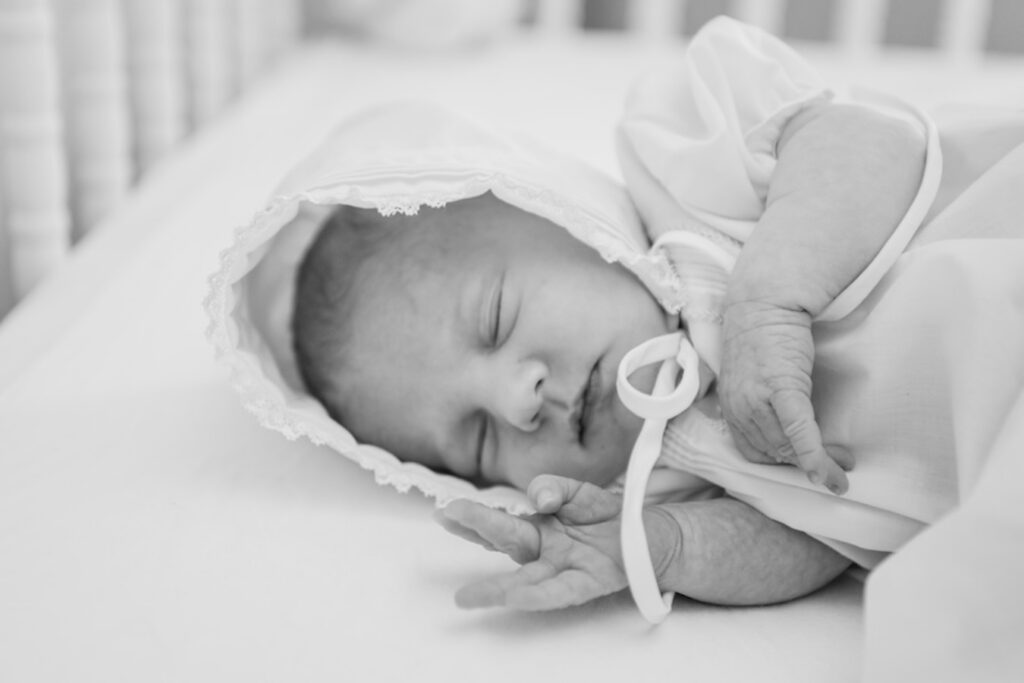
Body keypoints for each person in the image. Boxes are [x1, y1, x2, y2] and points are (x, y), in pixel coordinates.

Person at [287, 17, 1024, 613]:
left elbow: (866, 138)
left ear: (565, 218)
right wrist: (662, 545)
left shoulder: (687, 177)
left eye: (497, 317)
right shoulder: (668, 475)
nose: (517, 401)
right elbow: (826, 539)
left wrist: (767, 298)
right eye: (478, 440)